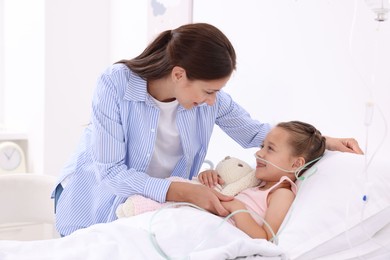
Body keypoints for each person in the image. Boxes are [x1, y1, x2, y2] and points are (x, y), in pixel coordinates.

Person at [53, 23, 363, 236]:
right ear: (179, 74)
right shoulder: (116, 83)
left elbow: (258, 133)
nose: (212, 100)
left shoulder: (211, 103)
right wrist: (186, 191)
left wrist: (323, 141)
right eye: (208, 90)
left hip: (144, 215)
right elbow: (110, 173)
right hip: (92, 201)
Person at [114, 121, 326, 240]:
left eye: (270, 149)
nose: (259, 154)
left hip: (216, 229)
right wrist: (210, 179)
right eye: (262, 146)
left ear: (297, 164)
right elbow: (224, 191)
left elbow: (264, 237)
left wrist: (235, 207)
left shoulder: (282, 192)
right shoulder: (254, 182)